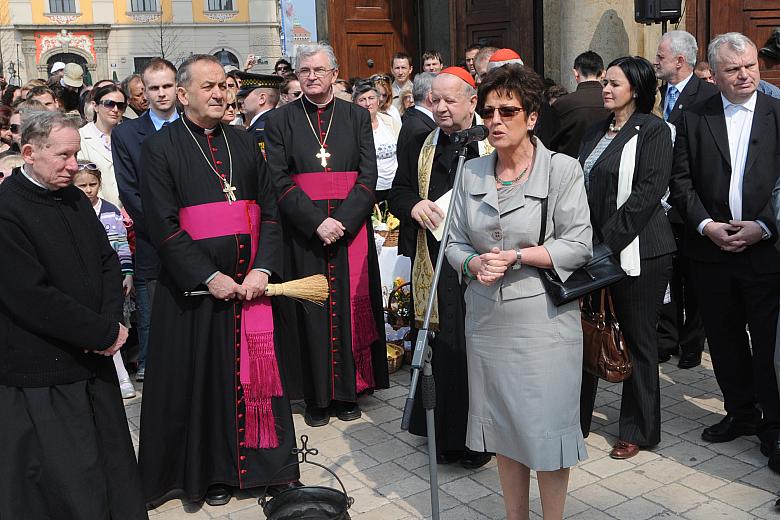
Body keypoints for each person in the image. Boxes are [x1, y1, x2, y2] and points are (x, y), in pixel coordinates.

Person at [138, 54, 300, 507]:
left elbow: (270, 212)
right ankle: (211, 474)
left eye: (223, 87)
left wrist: (262, 269)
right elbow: (162, 224)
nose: (218, 94)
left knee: (258, 377)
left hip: (250, 288)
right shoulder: (161, 147)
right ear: (183, 94)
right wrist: (209, 275)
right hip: (196, 293)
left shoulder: (245, 142)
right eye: (207, 87)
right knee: (205, 383)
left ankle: (269, 467)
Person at [445, 64, 592, 520]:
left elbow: (579, 244)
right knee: (504, 430)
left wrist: (517, 257)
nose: (495, 120)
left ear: (531, 118)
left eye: (508, 111)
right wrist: (471, 263)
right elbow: (453, 241)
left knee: (547, 432)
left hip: (543, 323)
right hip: (486, 320)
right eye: (488, 111)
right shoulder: (469, 172)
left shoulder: (563, 169)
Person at [0, 110, 147, 520]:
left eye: (77, 154)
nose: (74, 166)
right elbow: (29, 296)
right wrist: (100, 332)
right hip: (46, 368)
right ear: (29, 152)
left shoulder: (71, 197)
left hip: (93, 358)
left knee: (110, 467)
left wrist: (111, 323)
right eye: (63, 156)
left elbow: (106, 261)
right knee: (69, 477)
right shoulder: (7, 211)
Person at [669, 32, 780, 471]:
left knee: (769, 342)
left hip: (766, 251)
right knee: (725, 337)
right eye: (733, 69)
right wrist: (706, 226)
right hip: (710, 250)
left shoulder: (777, 113)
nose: (745, 75)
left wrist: (764, 227)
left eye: (750, 65)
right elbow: (680, 182)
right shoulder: (693, 116)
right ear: (712, 74)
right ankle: (740, 412)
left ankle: (775, 424)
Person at [264, 42, 389, 428]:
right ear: (297, 76)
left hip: (350, 232)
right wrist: (316, 221)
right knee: (310, 312)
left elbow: (369, 176)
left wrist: (346, 221)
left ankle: (349, 391)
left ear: (335, 74)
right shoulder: (281, 119)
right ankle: (316, 397)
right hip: (304, 233)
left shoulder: (354, 116)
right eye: (304, 71)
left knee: (351, 307)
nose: (312, 76)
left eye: (319, 70)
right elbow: (279, 179)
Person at [389, 66, 495, 470]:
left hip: (479, 261)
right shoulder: (420, 140)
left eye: (450, 100)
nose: (440, 107)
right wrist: (413, 205)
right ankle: (440, 433)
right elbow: (398, 190)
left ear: (473, 101)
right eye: (435, 99)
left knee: (473, 349)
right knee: (439, 346)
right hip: (434, 261)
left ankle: (477, 440)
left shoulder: (492, 140)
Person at [579, 56, 676, 459]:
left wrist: (605, 244)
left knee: (638, 340)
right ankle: (575, 419)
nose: (605, 88)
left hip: (640, 250)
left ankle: (637, 428)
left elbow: (647, 194)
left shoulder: (653, 130)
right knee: (586, 332)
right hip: (593, 248)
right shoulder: (597, 130)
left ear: (634, 89)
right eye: (604, 81)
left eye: (614, 83)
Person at [653, 30, 718, 368]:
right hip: (661, 204)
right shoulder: (658, 94)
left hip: (692, 203)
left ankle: (692, 345)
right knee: (669, 275)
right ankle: (669, 337)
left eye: (661, 56)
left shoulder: (707, 95)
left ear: (679, 60)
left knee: (695, 281)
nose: (655, 61)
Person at [113, 58, 179, 383]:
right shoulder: (126, 134)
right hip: (155, 244)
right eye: (154, 88)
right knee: (155, 319)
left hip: (199, 238)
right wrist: (169, 231)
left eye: (167, 86)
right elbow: (130, 192)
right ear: (144, 91)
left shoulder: (194, 125)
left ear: (178, 87)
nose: (162, 94)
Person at [72, 161, 137, 399]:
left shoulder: (110, 210)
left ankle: (121, 376)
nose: (88, 190)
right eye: (82, 185)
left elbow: (121, 245)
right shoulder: (72, 208)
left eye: (92, 184)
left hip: (110, 276)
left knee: (116, 324)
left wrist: (127, 273)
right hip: (85, 277)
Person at [549, 50, 610, 158]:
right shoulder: (614, 102)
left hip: (567, 168)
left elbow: (548, 142)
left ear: (576, 73)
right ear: (603, 73)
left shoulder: (562, 104)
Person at [79, 84, 127, 208]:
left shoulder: (129, 136)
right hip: (95, 210)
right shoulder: (81, 137)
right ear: (95, 106)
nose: (115, 109)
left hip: (130, 213)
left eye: (120, 106)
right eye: (109, 104)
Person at [352, 79, 399, 202]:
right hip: (369, 188)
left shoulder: (390, 121)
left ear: (378, 100)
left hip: (393, 185)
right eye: (362, 100)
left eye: (371, 98)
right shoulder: (352, 127)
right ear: (355, 103)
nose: (368, 103)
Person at [236, 71, 281, 155]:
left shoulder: (261, 130)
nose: (240, 100)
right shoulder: (278, 121)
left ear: (262, 98)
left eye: (245, 96)